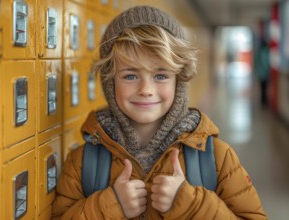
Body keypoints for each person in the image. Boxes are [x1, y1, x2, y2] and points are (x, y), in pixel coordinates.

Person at [52, 5, 267, 219]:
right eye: (130, 76)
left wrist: (192, 206)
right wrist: (109, 206)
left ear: (179, 80)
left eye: (161, 76)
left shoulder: (217, 159)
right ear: (110, 82)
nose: (146, 90)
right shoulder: (81, 162)